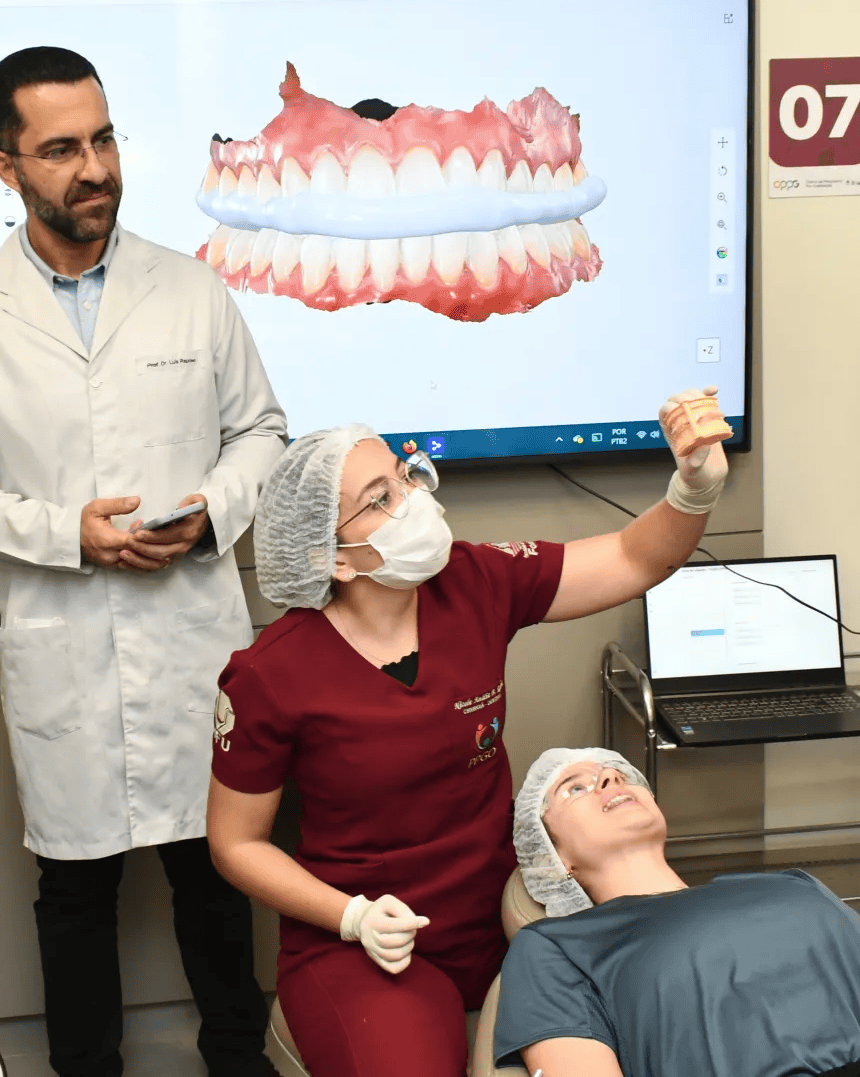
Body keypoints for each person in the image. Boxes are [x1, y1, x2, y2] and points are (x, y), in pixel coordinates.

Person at [0, 45, 287, 1077]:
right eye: (62, 149)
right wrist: (65, 533)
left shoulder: (191, 288)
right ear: (7, 167)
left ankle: (239, 1064)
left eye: (105, 139)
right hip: (63, 643)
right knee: (75, 894)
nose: (95, 168)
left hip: (192, 635)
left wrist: (209, 514)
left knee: (217, 875)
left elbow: (261, 432)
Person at [207, 388, 734, 1077]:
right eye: (380, 498)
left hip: (502, 916)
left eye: (404, 476)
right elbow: (236, 844)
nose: (411, 499)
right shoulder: (271, 674)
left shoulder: (472, 580)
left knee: (665, 1036)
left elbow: (635, 559)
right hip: (363, 939)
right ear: (334, 558)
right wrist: (351, 917)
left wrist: (693, 489)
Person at [495, 748, 860, 1077]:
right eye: (575, 787)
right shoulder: (557, 946)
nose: (609, 778)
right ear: (552, 857)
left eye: (615, 772)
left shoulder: (795, 888)